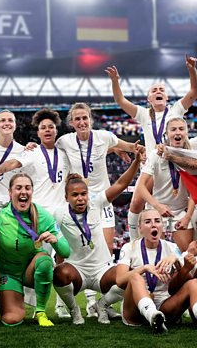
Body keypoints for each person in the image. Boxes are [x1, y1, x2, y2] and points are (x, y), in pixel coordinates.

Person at [56, 102, 142, 317]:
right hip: (78, 200)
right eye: (77, 119)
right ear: (71, 123)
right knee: (76, 250)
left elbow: (128, 146)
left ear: (90, 119)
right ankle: (75, 303)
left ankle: (102, 304)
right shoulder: (64, 141)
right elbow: (49, 151)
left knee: (106, 250)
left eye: (85, 118)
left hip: (101, 200)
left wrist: (128, 149)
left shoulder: (104, 136)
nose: (81, 122)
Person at [0, 108, 70, 318]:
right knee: (35, 259)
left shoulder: (64, 152)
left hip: (60, 212)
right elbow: (15, 162)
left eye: (51, 127)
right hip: (36, 216)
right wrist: (1, 169)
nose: (47, 130)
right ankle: (27, 303)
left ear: (56, 130)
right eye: (43, 127)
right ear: (38, 132)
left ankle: (61, 305)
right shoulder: (32, 152)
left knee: (62, 260)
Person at [106, 55, 197, 240]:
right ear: (149, 98)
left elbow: (194, 92)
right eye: (154, 90)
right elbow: (121, 101)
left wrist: (191, 70)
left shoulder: (175, 110)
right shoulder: (143, 114)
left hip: (175, 162)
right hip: (153, 166)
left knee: (187, 199)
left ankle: (188, 236)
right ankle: (133, 242)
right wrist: (115, 81)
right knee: (135, 203)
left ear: (167, 97)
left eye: (161, 89)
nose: (158, 91)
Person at [0, 173, 71, 327]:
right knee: (12, 320)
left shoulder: (43, 216)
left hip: (30, 270)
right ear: (10, 193)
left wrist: (55, 241)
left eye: (27, 188)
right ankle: (12, 298)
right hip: (8, 273)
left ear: (32, 192)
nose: (23, 192)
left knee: (45, 261)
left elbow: (66, 252)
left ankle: (40, 311)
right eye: (18, 188)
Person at [116, 209, 197, 333]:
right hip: (135, 309)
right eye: (148, 221)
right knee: (135, 277)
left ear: (162, 226)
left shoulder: (172, 248)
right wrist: (144, 268)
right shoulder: (129, 247)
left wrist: (177, 261)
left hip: (164, 305)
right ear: (140, 228)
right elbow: (120, 280)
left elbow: (179, 285)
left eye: (157, 221)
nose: (153, 225)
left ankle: (158, 318)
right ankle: (152, 314)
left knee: (193, 283)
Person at [136, 118, 195, 251]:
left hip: (180, 211)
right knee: (154, 253)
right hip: (155, 210)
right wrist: (158, 206)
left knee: (188, 253)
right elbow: (140, 186)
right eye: (173, 129)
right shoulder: (156, 155)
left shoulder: (192, 157)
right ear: (167, 134)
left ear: (186, 133)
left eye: (181, 129)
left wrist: (187, 217)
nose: (177, 132)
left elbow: (194, 191)